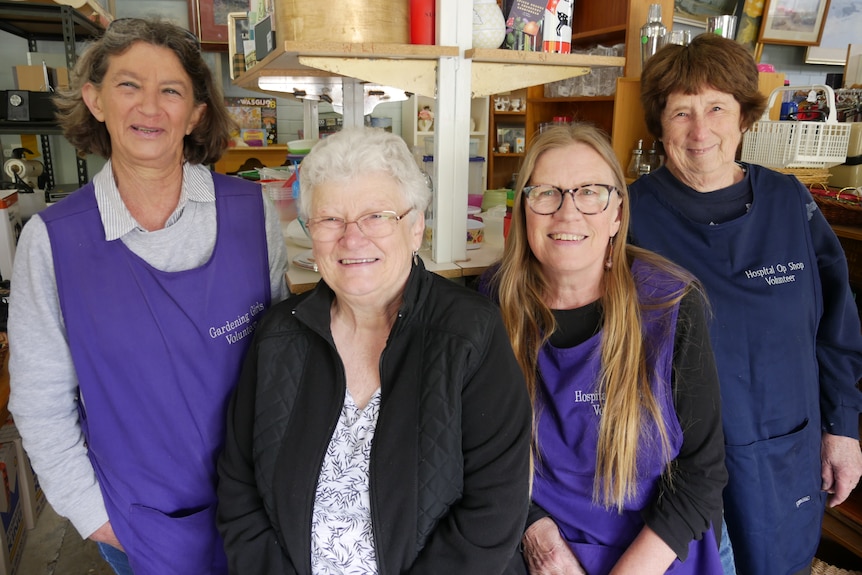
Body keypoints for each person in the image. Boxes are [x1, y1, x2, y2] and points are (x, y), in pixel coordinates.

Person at [8, 18, 289, 575]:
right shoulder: (54, 240)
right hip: (138, 521)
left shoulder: (251, 214)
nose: (150, 107)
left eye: (172, 91)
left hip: (262, 510)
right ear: (95, 100)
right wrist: (95, 517)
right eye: (128, 85)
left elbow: (287, 364)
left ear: (197, 113)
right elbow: (40, 404)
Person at [216, 126, 532, 574]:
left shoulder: (470, 334)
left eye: (377, 216)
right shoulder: (276, 337)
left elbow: (493, 513)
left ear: (416, 225)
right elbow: (238, 490)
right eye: (330, 219)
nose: (352, 238)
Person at [629, 33, 862, 575]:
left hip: (785, 450)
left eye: (716, 107)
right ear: (660, 124)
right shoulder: (629, 217)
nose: (700, 129)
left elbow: (837, 328)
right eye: (680, 112)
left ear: (744, 116)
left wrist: (843, 428)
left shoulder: (790, 202)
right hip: (672, 465)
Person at [480, 123, 727, 575]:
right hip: (532, 549)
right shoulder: (490, 303)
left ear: (617, 213)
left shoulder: (670, 303)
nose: (568, 213)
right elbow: (474, 453)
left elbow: (703, 474)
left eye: (590, 192)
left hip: (654, 554)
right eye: (546, 193)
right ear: (523, 212)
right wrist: (538, 534)